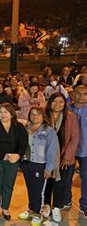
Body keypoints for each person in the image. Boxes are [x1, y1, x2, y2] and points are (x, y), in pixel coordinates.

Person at [0, 103, 28, 220]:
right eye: (0, 112)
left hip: (13, 161)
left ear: (11, 113)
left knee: (8, 185)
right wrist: (3, 156)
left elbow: (23, 144)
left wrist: (18, 155)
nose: (3, 114)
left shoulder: (19, 126)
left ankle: (5, 207)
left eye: (5, 112)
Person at [18, 107, 59, 225]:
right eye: (32, 114)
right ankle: (31, 209)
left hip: (40, 165)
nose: (35, 116)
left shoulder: (49, 130)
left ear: (43, 116)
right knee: (30, 188)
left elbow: (52, 150)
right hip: (26, 163)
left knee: (39, 190)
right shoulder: (27, 128)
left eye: (38, 114)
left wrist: (49, 168)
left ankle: (38, 213)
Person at [42, 93, 80, 222]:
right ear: (49, 102)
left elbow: (75, 138)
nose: (57, 104)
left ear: (65, 104)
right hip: (45, 156)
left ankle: (57, 207)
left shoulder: (70, 117)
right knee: (46, 182)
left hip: (62, 157)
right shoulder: (44, 115)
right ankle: (46, 205)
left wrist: (67, 157)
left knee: (60, 183)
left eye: (61, 102)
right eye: (54, 101)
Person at [71, 85, 87, 216]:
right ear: (73, 94)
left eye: (85, 94)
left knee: (86, 178)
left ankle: (85, 205)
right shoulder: (66, 109)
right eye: (78, 93)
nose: (81, 96)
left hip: (86, 150)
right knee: (65, 178)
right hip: (69, 151)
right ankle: (65, 201)